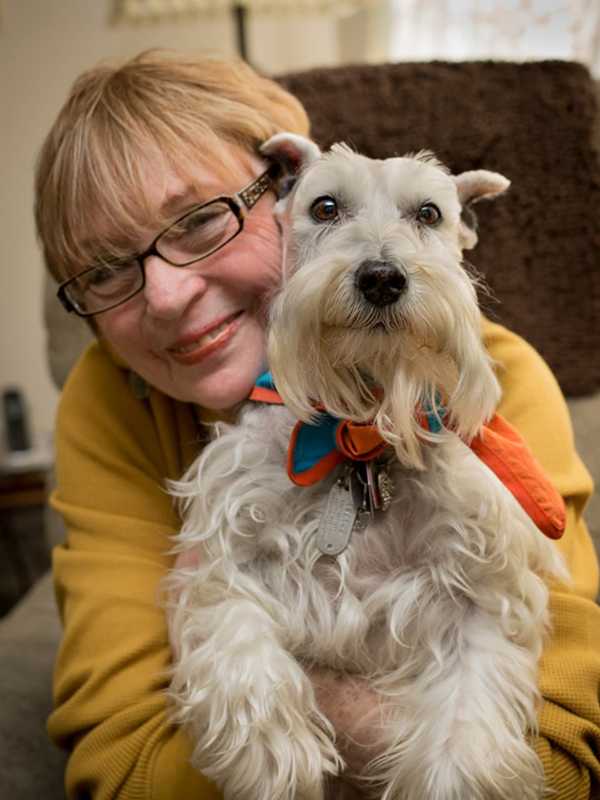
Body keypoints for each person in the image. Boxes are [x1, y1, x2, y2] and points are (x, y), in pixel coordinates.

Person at [35, 50, 600, 800]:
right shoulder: (109, 398)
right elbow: (125, 768)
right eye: (104, 270)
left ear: (281, 194)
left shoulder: (502, 382)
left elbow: (558, 761)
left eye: (202, 220)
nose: (166, 298)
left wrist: (327, 710)